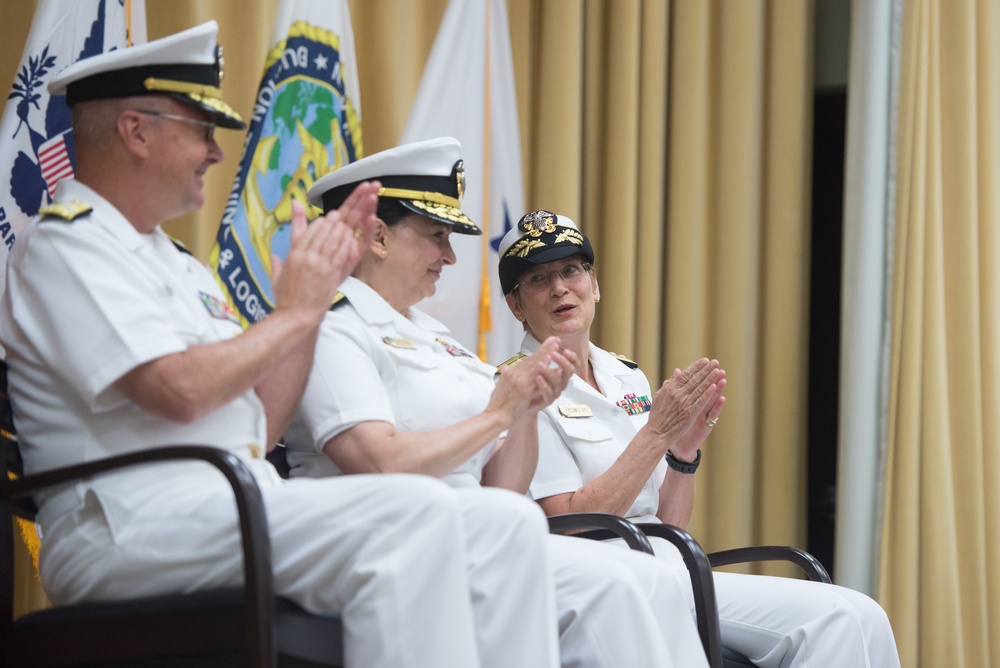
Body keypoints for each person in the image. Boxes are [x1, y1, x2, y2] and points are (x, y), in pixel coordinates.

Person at [0, 22, 535, 668]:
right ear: (135, 131)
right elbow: (180, 390)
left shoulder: (179, 266)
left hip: (227, 500)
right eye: (201, 130)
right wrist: (296, 314)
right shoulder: (68, 245)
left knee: (507, 525)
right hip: (127, 522)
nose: (215, 153)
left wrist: (305, 310)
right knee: (412, 515)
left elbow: (262, 422)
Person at [284, 137, 710, 668]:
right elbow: (374, 461)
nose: (450, 255)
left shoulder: (444, 342)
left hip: (484, 531)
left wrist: (526, 408)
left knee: (647, 577)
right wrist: (498, 414)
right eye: (437, 235)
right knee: (618, 583)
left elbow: (505, 487)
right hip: (391, 542)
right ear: (377, 237)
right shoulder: (333, 325)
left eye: (573, 273)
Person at [496, 209, 903, 667]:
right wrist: (656, 433)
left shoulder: (626, 376)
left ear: (595, 285)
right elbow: (571, 521)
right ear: (516, 306)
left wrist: (682, 453)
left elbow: (669, 523)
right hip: (606, 583)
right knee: (829, 623)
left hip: (668, 565)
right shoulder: (517, 387)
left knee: (858, 615)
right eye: (537, 278)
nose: (559, 288)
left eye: (571, 270)